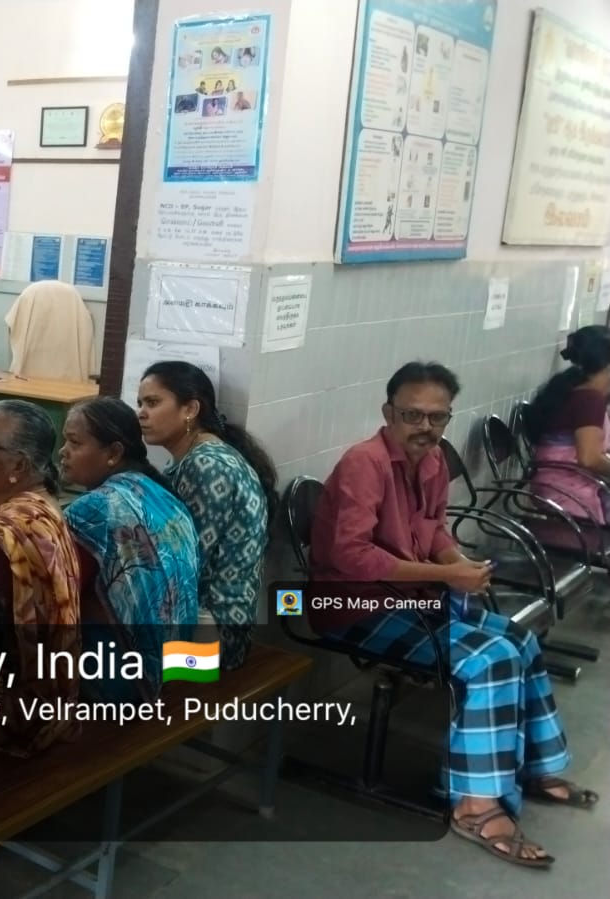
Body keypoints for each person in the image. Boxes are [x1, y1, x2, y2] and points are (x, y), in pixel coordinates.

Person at [309, 361, 596, 869]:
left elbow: (434, 529)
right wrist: (445, 575)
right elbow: (351, 557)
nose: (425, 427)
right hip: (353, 607)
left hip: (411, 599)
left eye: (437, 417)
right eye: (412, 415)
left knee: (520, 640)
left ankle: (532, 765)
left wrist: (457, 564)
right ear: (388, 413)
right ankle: (473, 805)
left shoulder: (434, 460)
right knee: (490, 661)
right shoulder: (364, 464)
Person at [0, 400, 83, 752]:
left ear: (19, 465)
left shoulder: (1, 536)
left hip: (17, 713)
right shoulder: (39, 504)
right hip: (53, 700)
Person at [60, 397, 199, 701]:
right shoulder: (160, 493)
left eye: (74, 442)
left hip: (128, 683)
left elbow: (57, 597)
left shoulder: (93, 510)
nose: (63, 452)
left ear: (114, 453)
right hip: (176, 664)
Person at [137, 361, 274, 670]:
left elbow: (186, 563)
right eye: (140, 403)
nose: (142, 413)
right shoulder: (193, 457)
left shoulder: (207, 466)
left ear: (190, 409)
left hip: (215, 631)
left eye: (153, 403)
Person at [522, 325, 610, 522]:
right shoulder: (589, 399)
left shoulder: (568, 388)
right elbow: (589, 458)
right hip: (570, 496)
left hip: (550, 488)